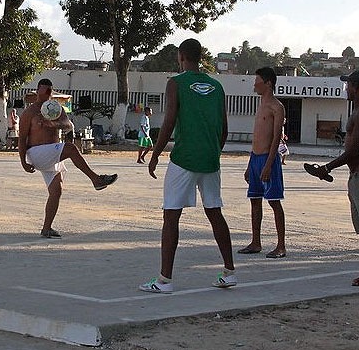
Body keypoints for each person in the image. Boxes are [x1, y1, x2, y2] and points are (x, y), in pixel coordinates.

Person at [139, 38, 236, 293]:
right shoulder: (216, 86)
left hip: (184, 158)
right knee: (215, 211)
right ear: (200, 56)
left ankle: (164, 280)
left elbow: (169, 121)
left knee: (171, 215)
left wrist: (155, 153)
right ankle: (229, 272)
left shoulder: (176, 83)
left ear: (181, 56)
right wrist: (214, 151)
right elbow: (224, 128)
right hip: (210, 159)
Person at [18, 78, 118, 238]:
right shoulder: (30, 112)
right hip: (37, 153)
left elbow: (68, 125)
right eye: (44, 92)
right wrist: (23, 161)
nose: (47, 95)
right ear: (38, 91)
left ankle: (46, 228)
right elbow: (22, 138)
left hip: (52, 153)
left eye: (49, 92)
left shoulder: (56, 109)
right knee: (71, 148)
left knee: (56, 191)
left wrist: (54, 125)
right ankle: (95, 179)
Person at [304, 70, 359, 286]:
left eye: (348, 85)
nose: (346, 89)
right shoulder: (355, 112)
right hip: (354, 174)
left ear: (356, 86)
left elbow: (355, 150)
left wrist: (327, 168)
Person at [238, 67, 287, 258]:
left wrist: (268, 164)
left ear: (268, 83)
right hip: (255, 158)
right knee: (255, 201)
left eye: (257, 81)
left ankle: (281, 245)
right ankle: (256, 242)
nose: (254, 84)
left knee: (274, 202)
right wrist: (250, 164)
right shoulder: (260, 104)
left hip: (269, 159)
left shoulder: (277, 107)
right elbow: (257, 136)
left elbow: (276, 137)